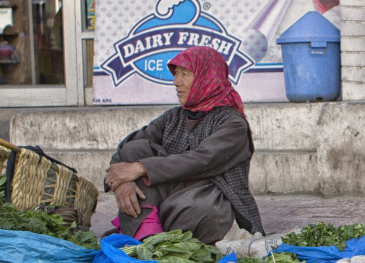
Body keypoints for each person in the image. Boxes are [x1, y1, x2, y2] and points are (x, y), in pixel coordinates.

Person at [103, 46, 264, 244]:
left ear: (207, 78)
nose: (176, 82)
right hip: (175, 191)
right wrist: (121, 183)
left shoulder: (233, 124)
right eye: (176, 74)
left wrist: (139, 168)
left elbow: (201, 160)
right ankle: (147, 238)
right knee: (134, 150)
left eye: (185, 74)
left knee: (194, 208)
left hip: (213, 197)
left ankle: (158, 240)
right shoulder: (173, 117)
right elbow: (127, 149)